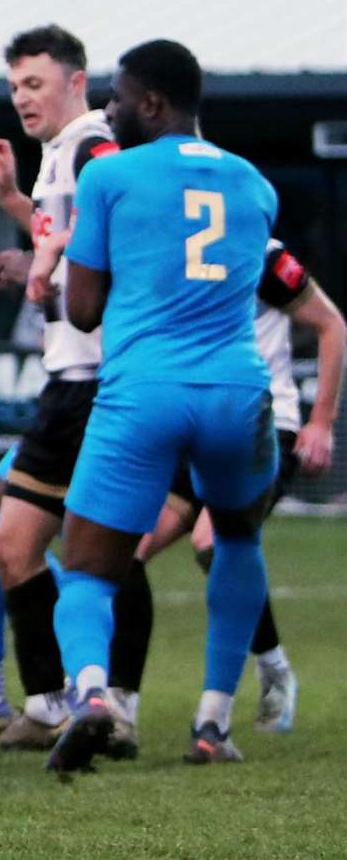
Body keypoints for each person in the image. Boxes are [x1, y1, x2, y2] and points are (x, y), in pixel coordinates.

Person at [36, 39, 280, 772]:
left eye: (116, 97)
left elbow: (81, 312)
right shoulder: (255, 184)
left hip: (144, 389)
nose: (107, 113)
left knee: (84, 566)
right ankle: (213, 722)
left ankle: (90, 695)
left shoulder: (111, 177)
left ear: (152, 102)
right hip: (238, 391)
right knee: (235, 541)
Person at [0, 24, 137, 753]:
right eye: (13, 87)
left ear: (77, 81)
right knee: (11, 542)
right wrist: (14, 209)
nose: (22, 99)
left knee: (96, 551)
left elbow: (116, 213)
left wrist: (50, 263)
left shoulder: (94, 144)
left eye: (34, 84)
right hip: (72, 382)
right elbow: (61, 228)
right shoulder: (59, 157)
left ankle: (99, 705)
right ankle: (49, 704)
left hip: (97, 380)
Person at [111, 242, 342, 738]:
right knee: (121, 553)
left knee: (212, 542)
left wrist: (321, 421)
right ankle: (118, 709)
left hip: (261, 421)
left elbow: (331, 323)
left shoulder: (260, 250)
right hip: (191, 423)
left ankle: (255, 684)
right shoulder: (164, 246)